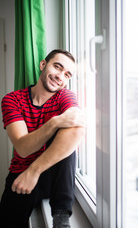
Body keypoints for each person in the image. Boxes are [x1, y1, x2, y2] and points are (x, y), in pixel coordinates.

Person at [0, 49, 85, 228]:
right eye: (57, 67)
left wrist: (34, 171)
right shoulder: (12, 100)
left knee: (71, 130)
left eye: (67, 74)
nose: (60, 76)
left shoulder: (66, 96)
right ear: (43, 65)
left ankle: (61, 216)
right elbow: (23, 148)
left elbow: (77, 129)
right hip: (21, 173)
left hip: (52, 176)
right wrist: (54, 122)